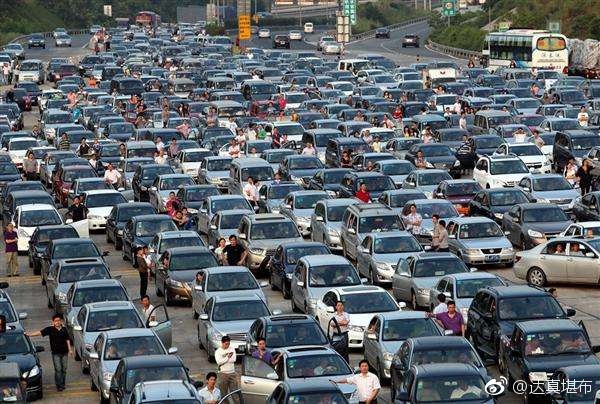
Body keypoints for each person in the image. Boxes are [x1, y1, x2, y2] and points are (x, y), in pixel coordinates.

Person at [25, 315, 73, 391]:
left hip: (64, 352)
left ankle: (63, 383)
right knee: (58, 369)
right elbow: (40, 333)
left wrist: (70, 349)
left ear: (60, 321)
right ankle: (59, 385)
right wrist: (29, 334)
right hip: (55, 353)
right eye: (56, 321)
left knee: (64, 369)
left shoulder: (64, 329)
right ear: (53, 322)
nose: (57, 322)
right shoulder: (50, 329)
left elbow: (67, 339)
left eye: (59, 320)